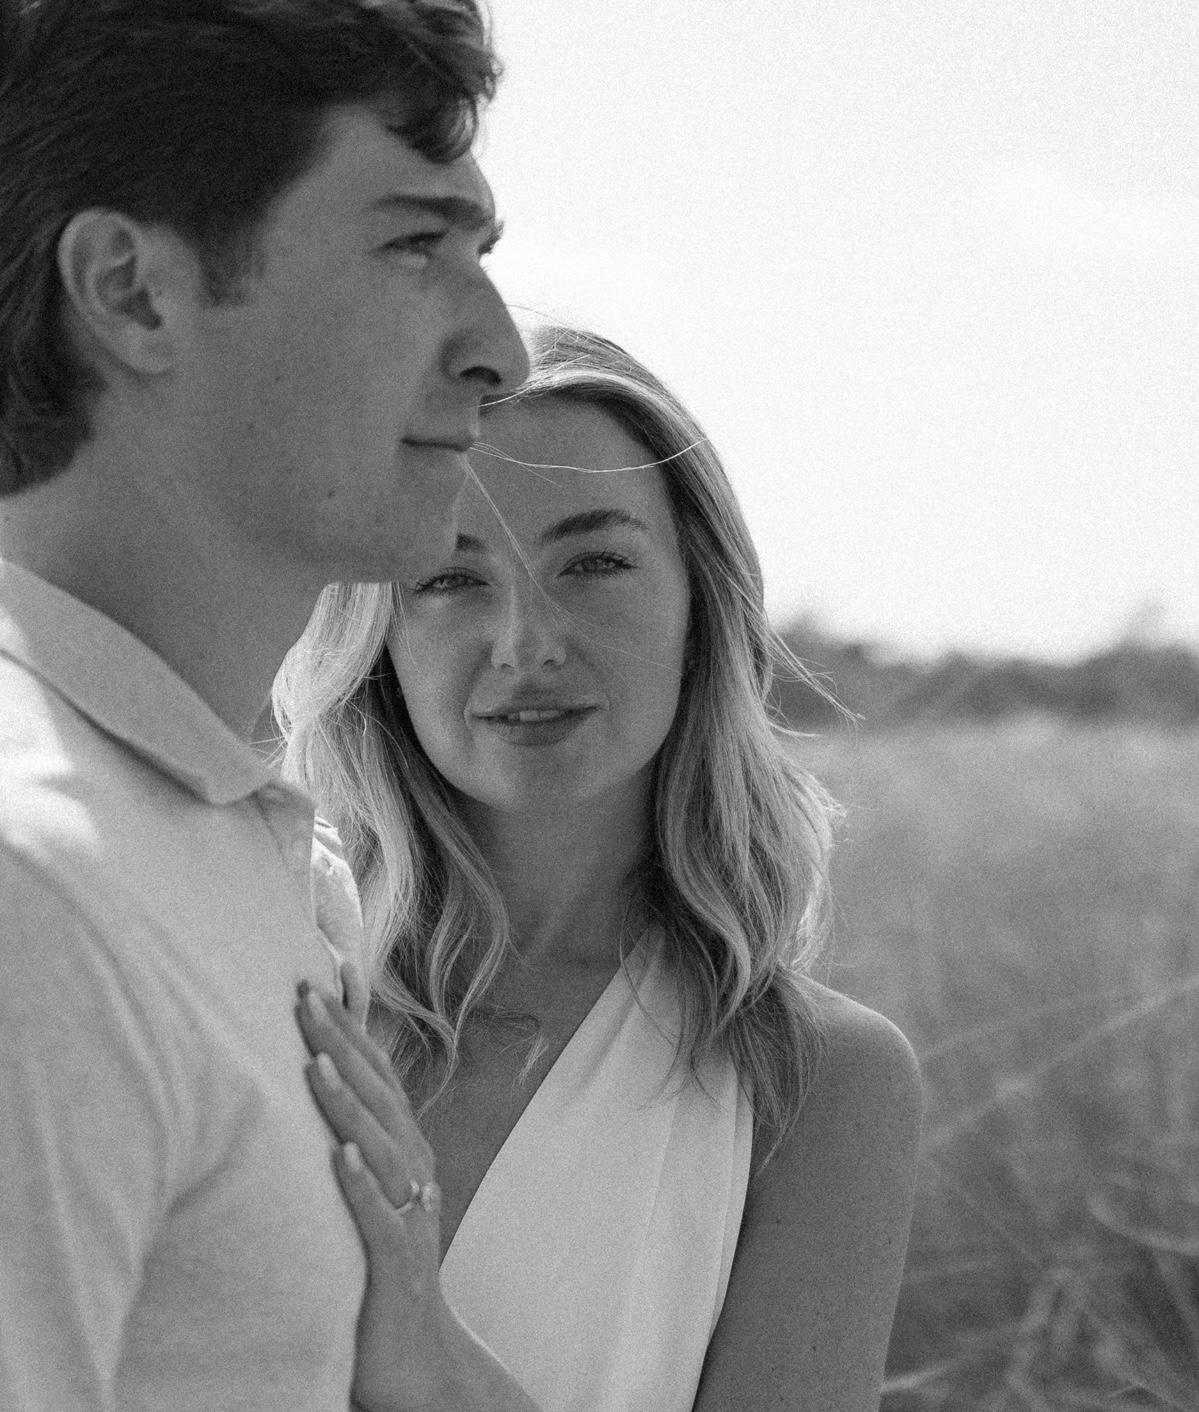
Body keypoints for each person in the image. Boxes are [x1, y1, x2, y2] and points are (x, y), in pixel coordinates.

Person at [0, 2, 530, 1408]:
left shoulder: (224, 851)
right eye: (412, 244)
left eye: (478, 254)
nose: (498, 349)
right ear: (133, 293)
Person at [276, 324, 924, 1412]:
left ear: (699, 603)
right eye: (448, 576)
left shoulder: (813, 1082)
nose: (526, 641)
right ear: (377, 633)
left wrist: (422, 1346)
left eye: (594, 564)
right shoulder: (265, 979)